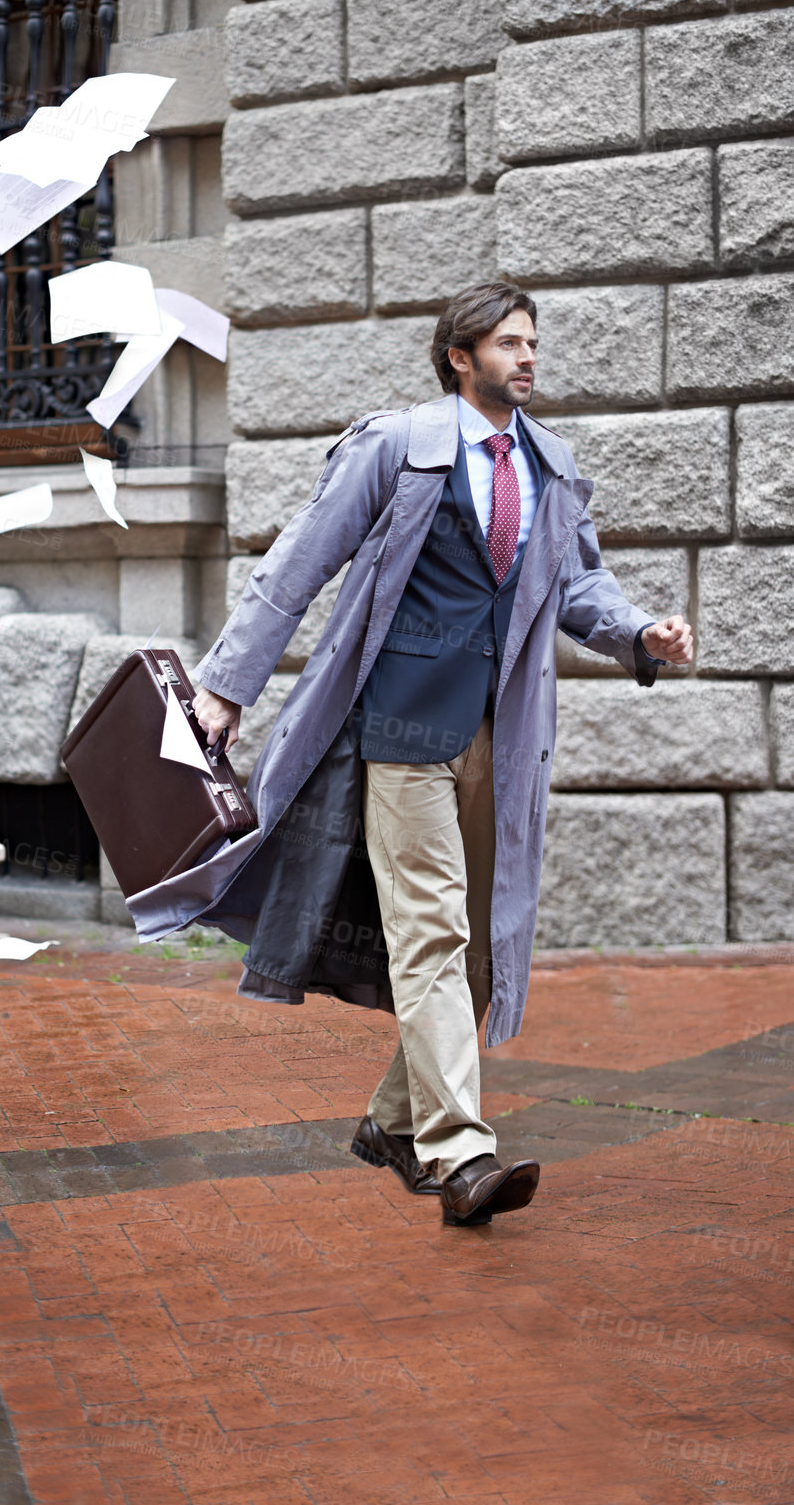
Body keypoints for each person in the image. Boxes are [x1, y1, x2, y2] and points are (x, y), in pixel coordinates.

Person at [173, 283, 693, 1228]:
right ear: (459, 356)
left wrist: (637, 636)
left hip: (499, 736)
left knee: (486, 946)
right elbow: (294, 565)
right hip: (399, 731)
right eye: (507, 342)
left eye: (532, 342)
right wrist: (224, 685)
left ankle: (387, 1122)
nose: (527, 357)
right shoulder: (395, 446)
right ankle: (458, 1156)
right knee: (431, 932)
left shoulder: (548, 466)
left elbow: (581, 586)